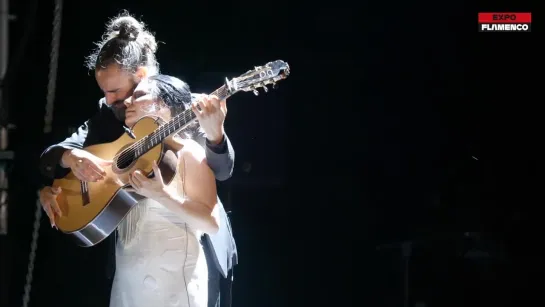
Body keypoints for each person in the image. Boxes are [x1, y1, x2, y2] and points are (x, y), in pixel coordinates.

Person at [38, 13, 237, 307]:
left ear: (141, 76)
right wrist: (66, 162)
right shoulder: (108, 115)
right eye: (103, 91)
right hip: (133, 254)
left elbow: (221, 171)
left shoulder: (184, 106)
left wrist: (216, 136)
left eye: (116, 91)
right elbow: (53, 156)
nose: (109, 100)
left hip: (192, 246)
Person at [108, 73, 216, 307]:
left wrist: (162, 196)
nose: (127, 102)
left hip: (173, 285)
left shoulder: (189, 152)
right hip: (128, 282)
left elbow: (210, 224)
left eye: (138, 96)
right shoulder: (123, 153)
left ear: (164, 104)